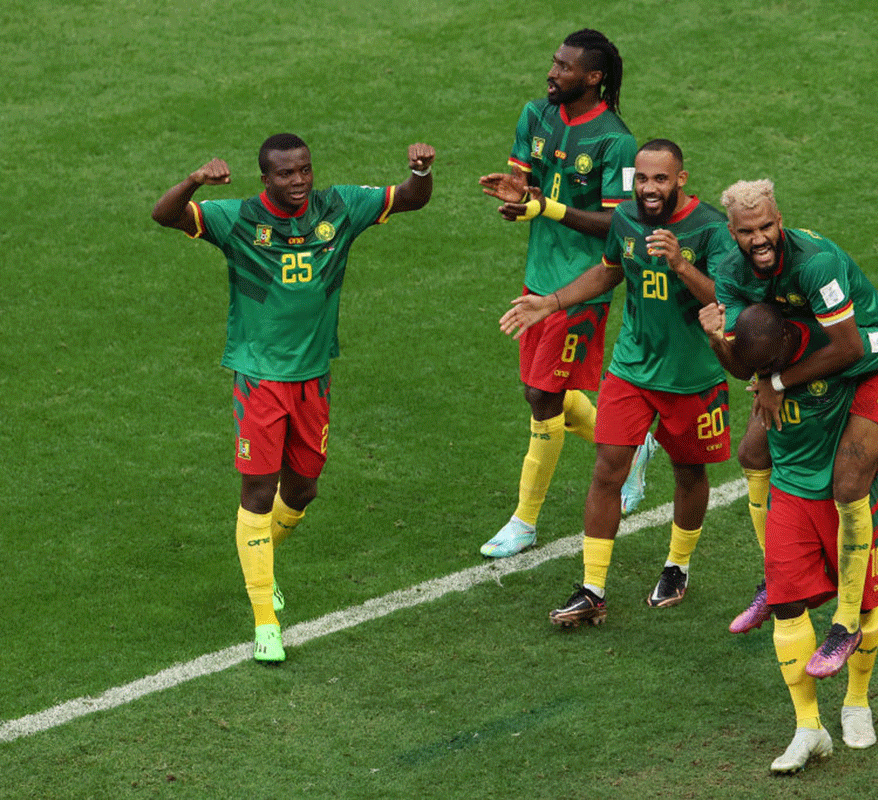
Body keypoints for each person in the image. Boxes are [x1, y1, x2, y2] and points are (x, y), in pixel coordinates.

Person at [151, 134, 435, 663]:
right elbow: (164, 214)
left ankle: (261, 563)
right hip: (259, 377)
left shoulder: (339, 208)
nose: (299, 180)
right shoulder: (237, 219)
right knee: (257, 491)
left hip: (313, 377)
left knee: (302, 490)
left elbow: (411, 197)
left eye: (305, 169)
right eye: (286, 174)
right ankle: (266, 621)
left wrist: (419, 172)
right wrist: (194, 179)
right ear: (266, 179)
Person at [498, 139, 734, 624]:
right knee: (609, 470)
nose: (649, 188)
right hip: (631, 368)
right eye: (642, 179)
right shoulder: (625, 219)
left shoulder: (710, 227)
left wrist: (681, 264)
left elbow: (730, 298)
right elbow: (608, 272)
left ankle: (677, 566)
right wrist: (552, 302)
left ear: (681, 180)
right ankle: (592, 589)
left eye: (660, 179)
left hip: (692, 376)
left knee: (689, 472)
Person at [703, 178, 878, 682]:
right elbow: (744, 361)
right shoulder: (729, 273)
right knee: (752, 455)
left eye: (768, 226)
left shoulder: (816, 263)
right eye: (748, 230)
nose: (761, 238)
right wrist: (717, 341)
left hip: (865, 356)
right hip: (802, 355)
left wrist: (774, 381)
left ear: (781, 220)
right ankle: (774, 580)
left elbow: (848, 350)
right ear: (732, 232)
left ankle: (845, 622)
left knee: (847, 482)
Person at [730, 302, 878, 772]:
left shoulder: (840, 350)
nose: (764, 378)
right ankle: (808, 729)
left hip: (845, 498)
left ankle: (857, 703)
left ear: (784, 345)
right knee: (786, 606)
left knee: (865, 603)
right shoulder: (761, 360)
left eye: (770, 367)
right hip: (790, 493)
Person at [478, 29, 637, 559]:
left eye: (565, 67)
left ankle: (524, 521)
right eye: (554, 62)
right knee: (538, 390)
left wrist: (544, 207)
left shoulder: (616, 142)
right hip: (538, 275)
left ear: (593, 78)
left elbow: (618, 228)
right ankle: (630, 448)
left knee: (544, 397)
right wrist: (517, 195)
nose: (552, 72)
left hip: (584, 286)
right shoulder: (536, 115)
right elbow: (527, 184)